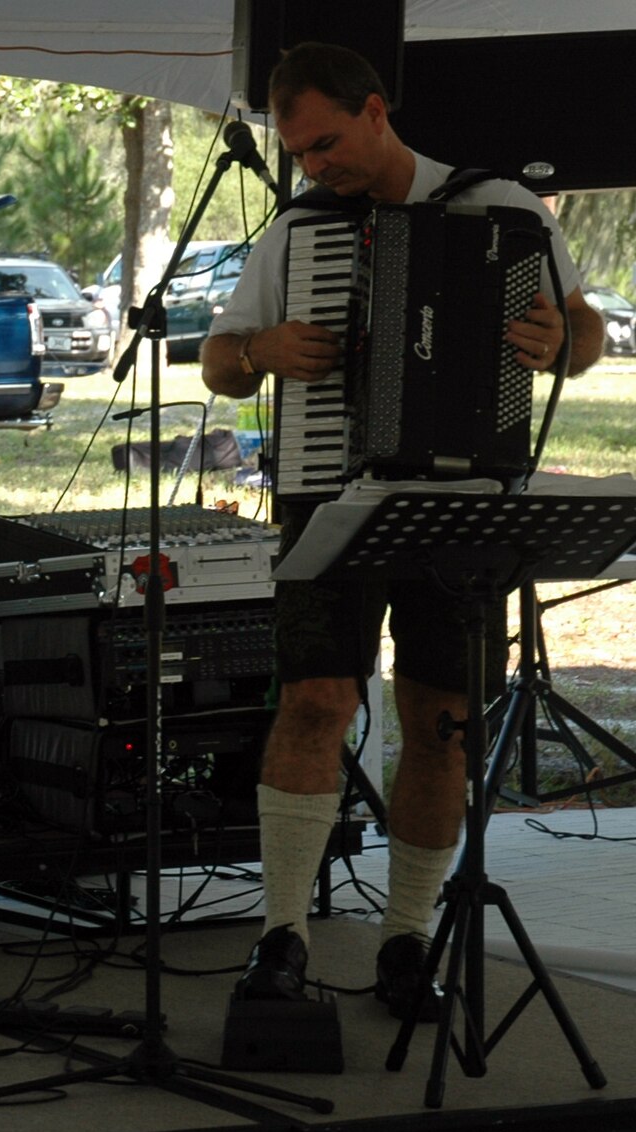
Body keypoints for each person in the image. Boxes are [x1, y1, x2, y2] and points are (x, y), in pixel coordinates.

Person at [200, 43, 604, 1019]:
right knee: (314, 702)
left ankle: (407, 939)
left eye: (324, 145)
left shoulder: (501, 207)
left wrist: (561, 341)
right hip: (327, 494)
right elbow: (217, 361)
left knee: (441, 722)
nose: (312, 168)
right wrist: (260, 349)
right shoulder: (298, 231)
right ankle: (282, 936)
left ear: (376, 112)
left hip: (464, 501)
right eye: (298, 153)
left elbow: (584, 328)